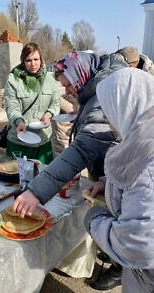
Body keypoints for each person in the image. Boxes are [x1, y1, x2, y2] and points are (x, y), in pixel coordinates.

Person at [12, 50, 130, 289]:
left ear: (81, 75)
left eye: (68, 85)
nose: (66, 91)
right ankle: (115, 253)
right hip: (109, 173)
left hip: (120, 173)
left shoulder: (104, 92)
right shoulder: (98, 84)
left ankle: (121, 267)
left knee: (121, 219)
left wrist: (36, 191)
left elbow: (83, 149)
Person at [84, 67, 154, 292]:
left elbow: (137, 245)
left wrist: (95, 221)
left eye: (108, 113)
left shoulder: (148, 158)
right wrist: (108, 182)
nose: (108, 122)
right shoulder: (144, 137)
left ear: (125, 107)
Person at [4, 42, 60, 164]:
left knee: (43, 177)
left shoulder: (49, 79)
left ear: (41, 60)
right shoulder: (14, 79)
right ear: (23, 61)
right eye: (28, 60)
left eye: (36, 59)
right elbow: (11, 106)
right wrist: (18, 121)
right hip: (19, 139)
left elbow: (56, 103)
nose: (33, 64)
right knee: (17, 179)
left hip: (43, 140)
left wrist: (49, 114)